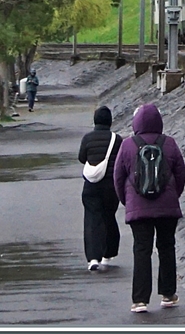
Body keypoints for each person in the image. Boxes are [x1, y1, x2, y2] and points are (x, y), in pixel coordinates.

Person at [112, 102, 185, 313]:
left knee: (141, 250)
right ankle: (168, 293)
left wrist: (128, 201)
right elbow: (180, 174)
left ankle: (140, 300)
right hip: (167, 207)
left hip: (138, 207)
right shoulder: (169, 143)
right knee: (166, 247)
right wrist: (173, 195)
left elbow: (118, 177)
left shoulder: (127, 145)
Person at [77, 106, 122, 272]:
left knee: (92, 220)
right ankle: (109, 252)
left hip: (91, 185)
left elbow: (82, 158)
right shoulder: (117, 139)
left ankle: (93, 258)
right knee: (109, 216)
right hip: (111, 186)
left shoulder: (87, 138)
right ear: (110, 121)